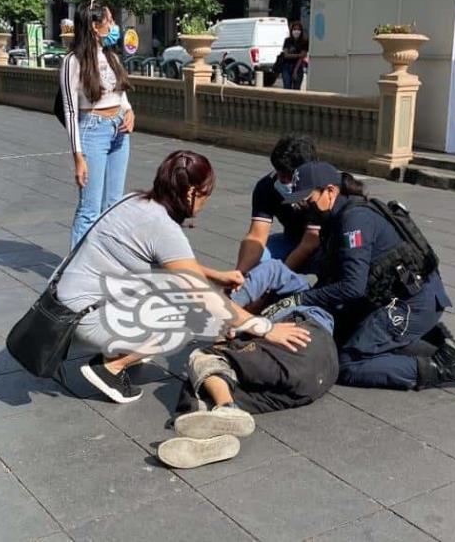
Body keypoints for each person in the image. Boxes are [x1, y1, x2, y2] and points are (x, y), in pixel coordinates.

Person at [57, 150, 311, 404]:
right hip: (85, 319)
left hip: (65, 305)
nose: (205, 202)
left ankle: (127, 343)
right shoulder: (163, 229)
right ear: (191, 192)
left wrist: (216, 275)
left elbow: (175, 264)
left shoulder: (135, 201)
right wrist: (265, 328)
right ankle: (110, 368)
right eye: (205, 194)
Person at [263, 161, 455, 392]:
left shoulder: (354, 221)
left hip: (411, 304)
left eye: (307, 200)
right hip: (403, 296)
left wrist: (299, 300)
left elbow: (352, 287)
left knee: (349, 363)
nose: (302, 208)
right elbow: (334, 274)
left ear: (330, 191)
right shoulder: (338, 216)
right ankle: (432, 337)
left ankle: (443, 367)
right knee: (340, 333)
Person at [158, 259, 338, 469]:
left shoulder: (302, 293)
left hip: (303, 337)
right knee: (200, 390)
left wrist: (230, 314)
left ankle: (227, 408)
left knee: (204, 357)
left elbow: (273, 268)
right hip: (314, 382)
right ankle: (216, 441)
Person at [60, 1, 135, 249]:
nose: (113, 26)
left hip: (119, 131)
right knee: (89, 208)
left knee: (114, 205)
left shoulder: (110, 54)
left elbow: (119, 90)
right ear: (94, 25)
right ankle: (74, 271)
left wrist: (129, 110)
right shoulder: (73, 61)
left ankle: (105, 259)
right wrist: (78, 157)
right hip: (92, 129)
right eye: (109, 21)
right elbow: (70, 111)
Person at [236, 134, 320, 275]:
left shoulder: (324, 188)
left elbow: (310, 242)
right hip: (292, 240)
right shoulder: (267, 187)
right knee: (258, 257)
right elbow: (257, 236)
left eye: (291, 177)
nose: (286, 182)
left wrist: (280, 275)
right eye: (282, 176)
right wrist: (240, 274)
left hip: (324, 244)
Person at [279, 21, 308, 90]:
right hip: (286, 67)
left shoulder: (304, 42)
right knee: (287, 87)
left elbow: (302, 57)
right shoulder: (287, 40)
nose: (296, 31)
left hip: (298, 67)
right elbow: (286, 55)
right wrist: (299, 55)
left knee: (296, 88)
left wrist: (295, 71)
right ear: (291, 30)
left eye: (298, 29)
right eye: (294, 29)